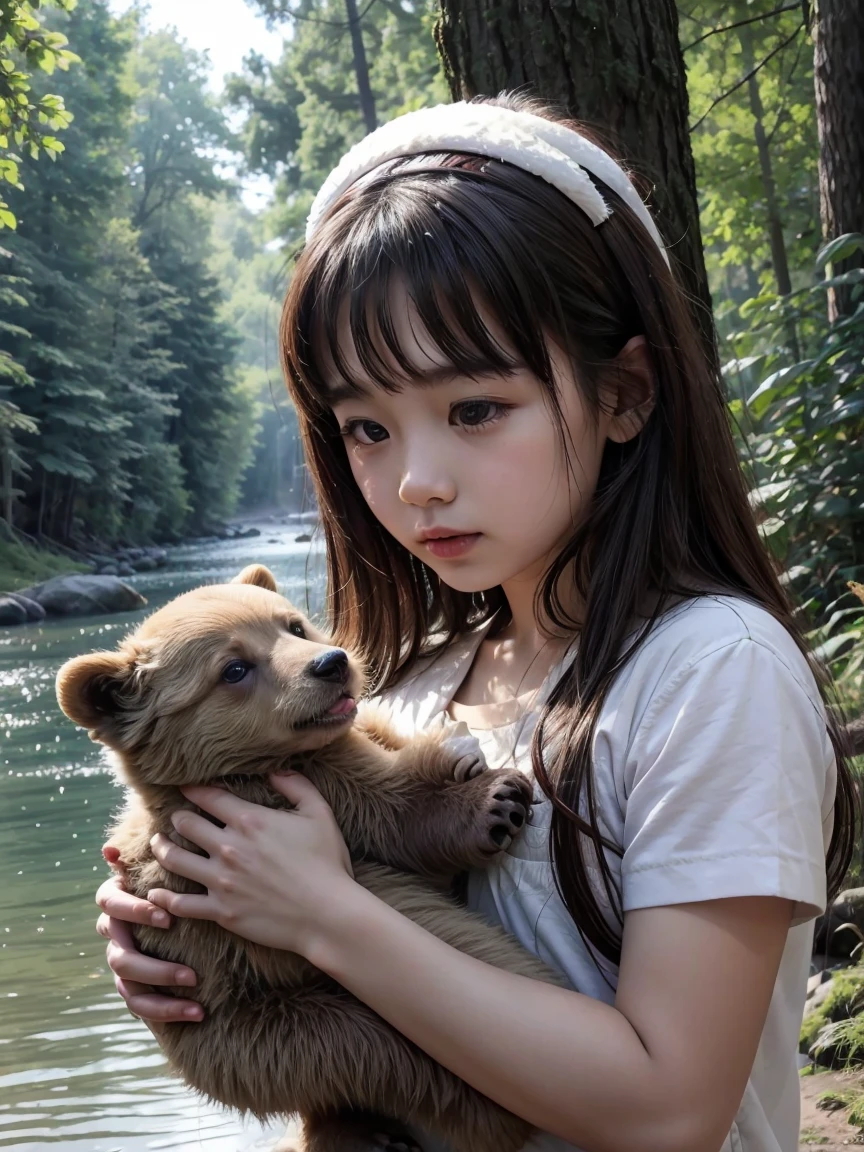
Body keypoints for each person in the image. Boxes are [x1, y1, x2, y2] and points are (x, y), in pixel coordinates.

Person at [94, 92, 856, 1152]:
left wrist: (322, 914)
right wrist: (199, 948)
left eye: (475, 410)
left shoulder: (710, 676)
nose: (415, 482)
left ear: (626, 393)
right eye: (366, 426)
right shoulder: (407, 690)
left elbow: (671, 1108)